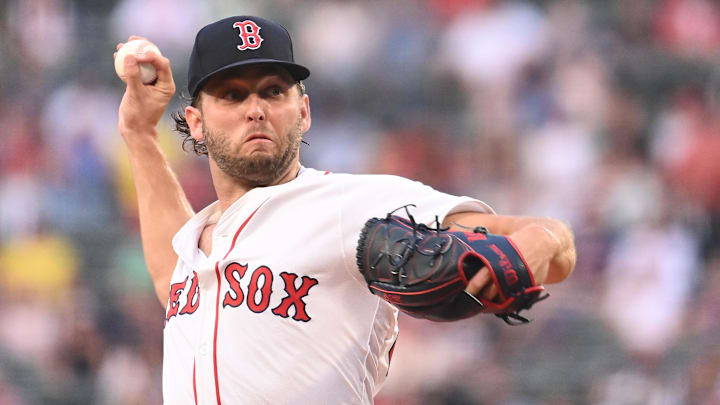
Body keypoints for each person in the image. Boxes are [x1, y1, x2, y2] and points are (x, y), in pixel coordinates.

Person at [116, 15, 576, 404]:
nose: (255, 109)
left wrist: (542, 241)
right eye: (233, 95)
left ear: (304, 110)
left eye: (274, 92)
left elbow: (546, 240)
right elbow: (168, 276)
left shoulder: (350, 206)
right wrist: (139, 134)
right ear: (195, 122)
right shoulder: (199, 239)